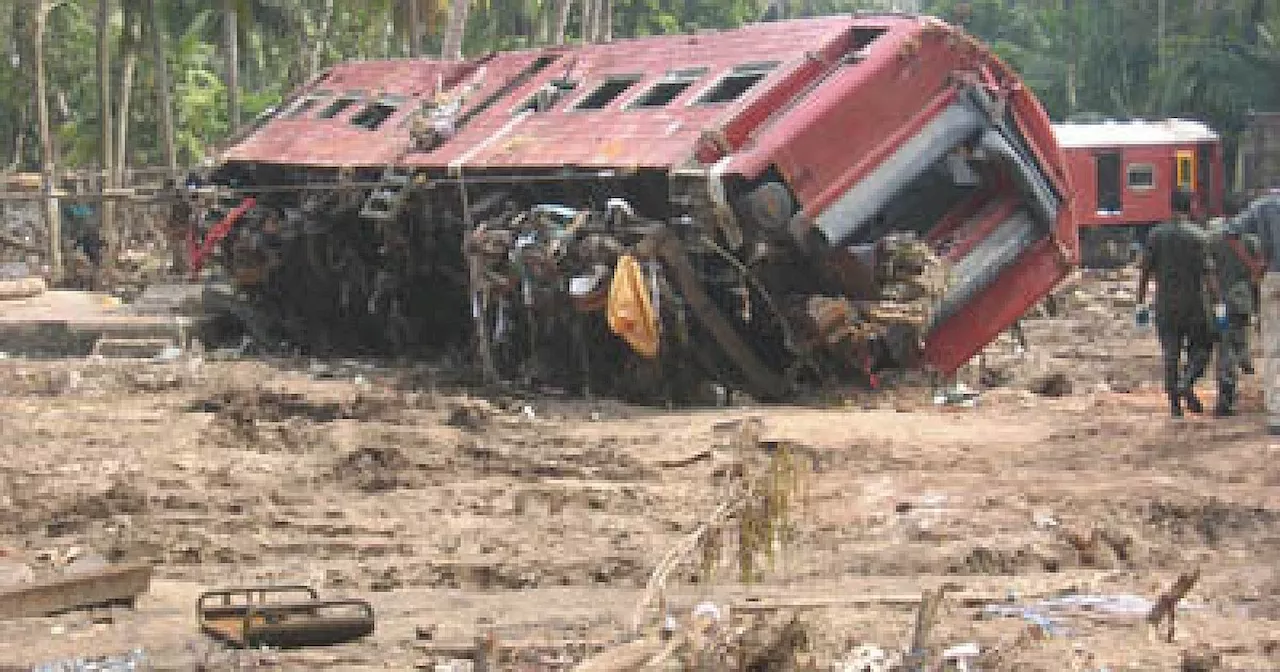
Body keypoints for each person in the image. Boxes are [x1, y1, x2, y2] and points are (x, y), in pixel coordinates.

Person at [1137, 188, 1220, 418]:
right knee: (1202, 349)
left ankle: (1175, 406)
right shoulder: (1199, 236)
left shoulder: (1155, 235)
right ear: (1191, 206)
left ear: (1170, 205)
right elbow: (1209, 274)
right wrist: (1219, 304)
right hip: (1194, 304)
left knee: (1170, 353)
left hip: (1165, 304)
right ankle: (1186, 382)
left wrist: (1140, 303)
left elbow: (1144, 271)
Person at [1210, 215, 1265, 416]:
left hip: (1222, 302)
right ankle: (1244, 364)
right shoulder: (1251, 240)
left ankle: (1226, 398)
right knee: (1240, 341)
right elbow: (1259, 272)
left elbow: (1209, 273)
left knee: (1224, 348)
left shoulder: (1214, 239)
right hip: (1243, 300)